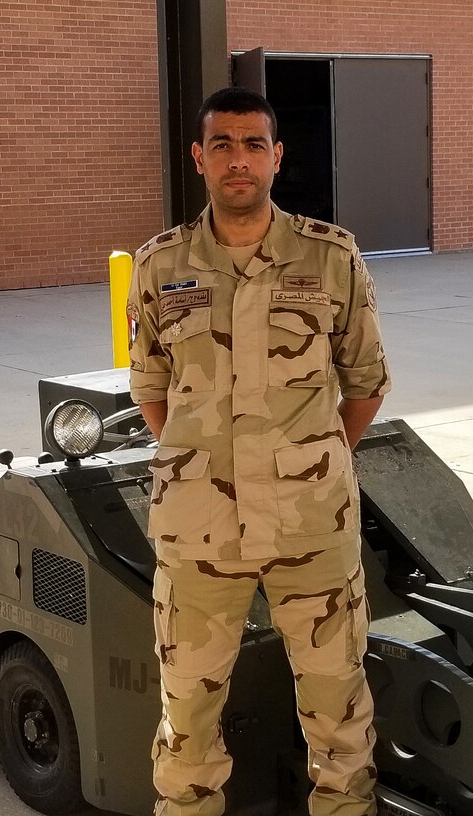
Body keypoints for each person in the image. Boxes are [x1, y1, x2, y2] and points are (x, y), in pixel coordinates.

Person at [127, 86, 391, 816]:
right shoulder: (158, 265)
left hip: (311, 528)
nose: (237, 160)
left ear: (276, 157)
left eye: (252, 145)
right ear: (199, 158)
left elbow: (366, 384)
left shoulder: (331, 257)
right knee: (187, 714)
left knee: (339, 708)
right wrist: (204, 463)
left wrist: (311, 460)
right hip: (199, 532)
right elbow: (152, 390)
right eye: (222, 145)